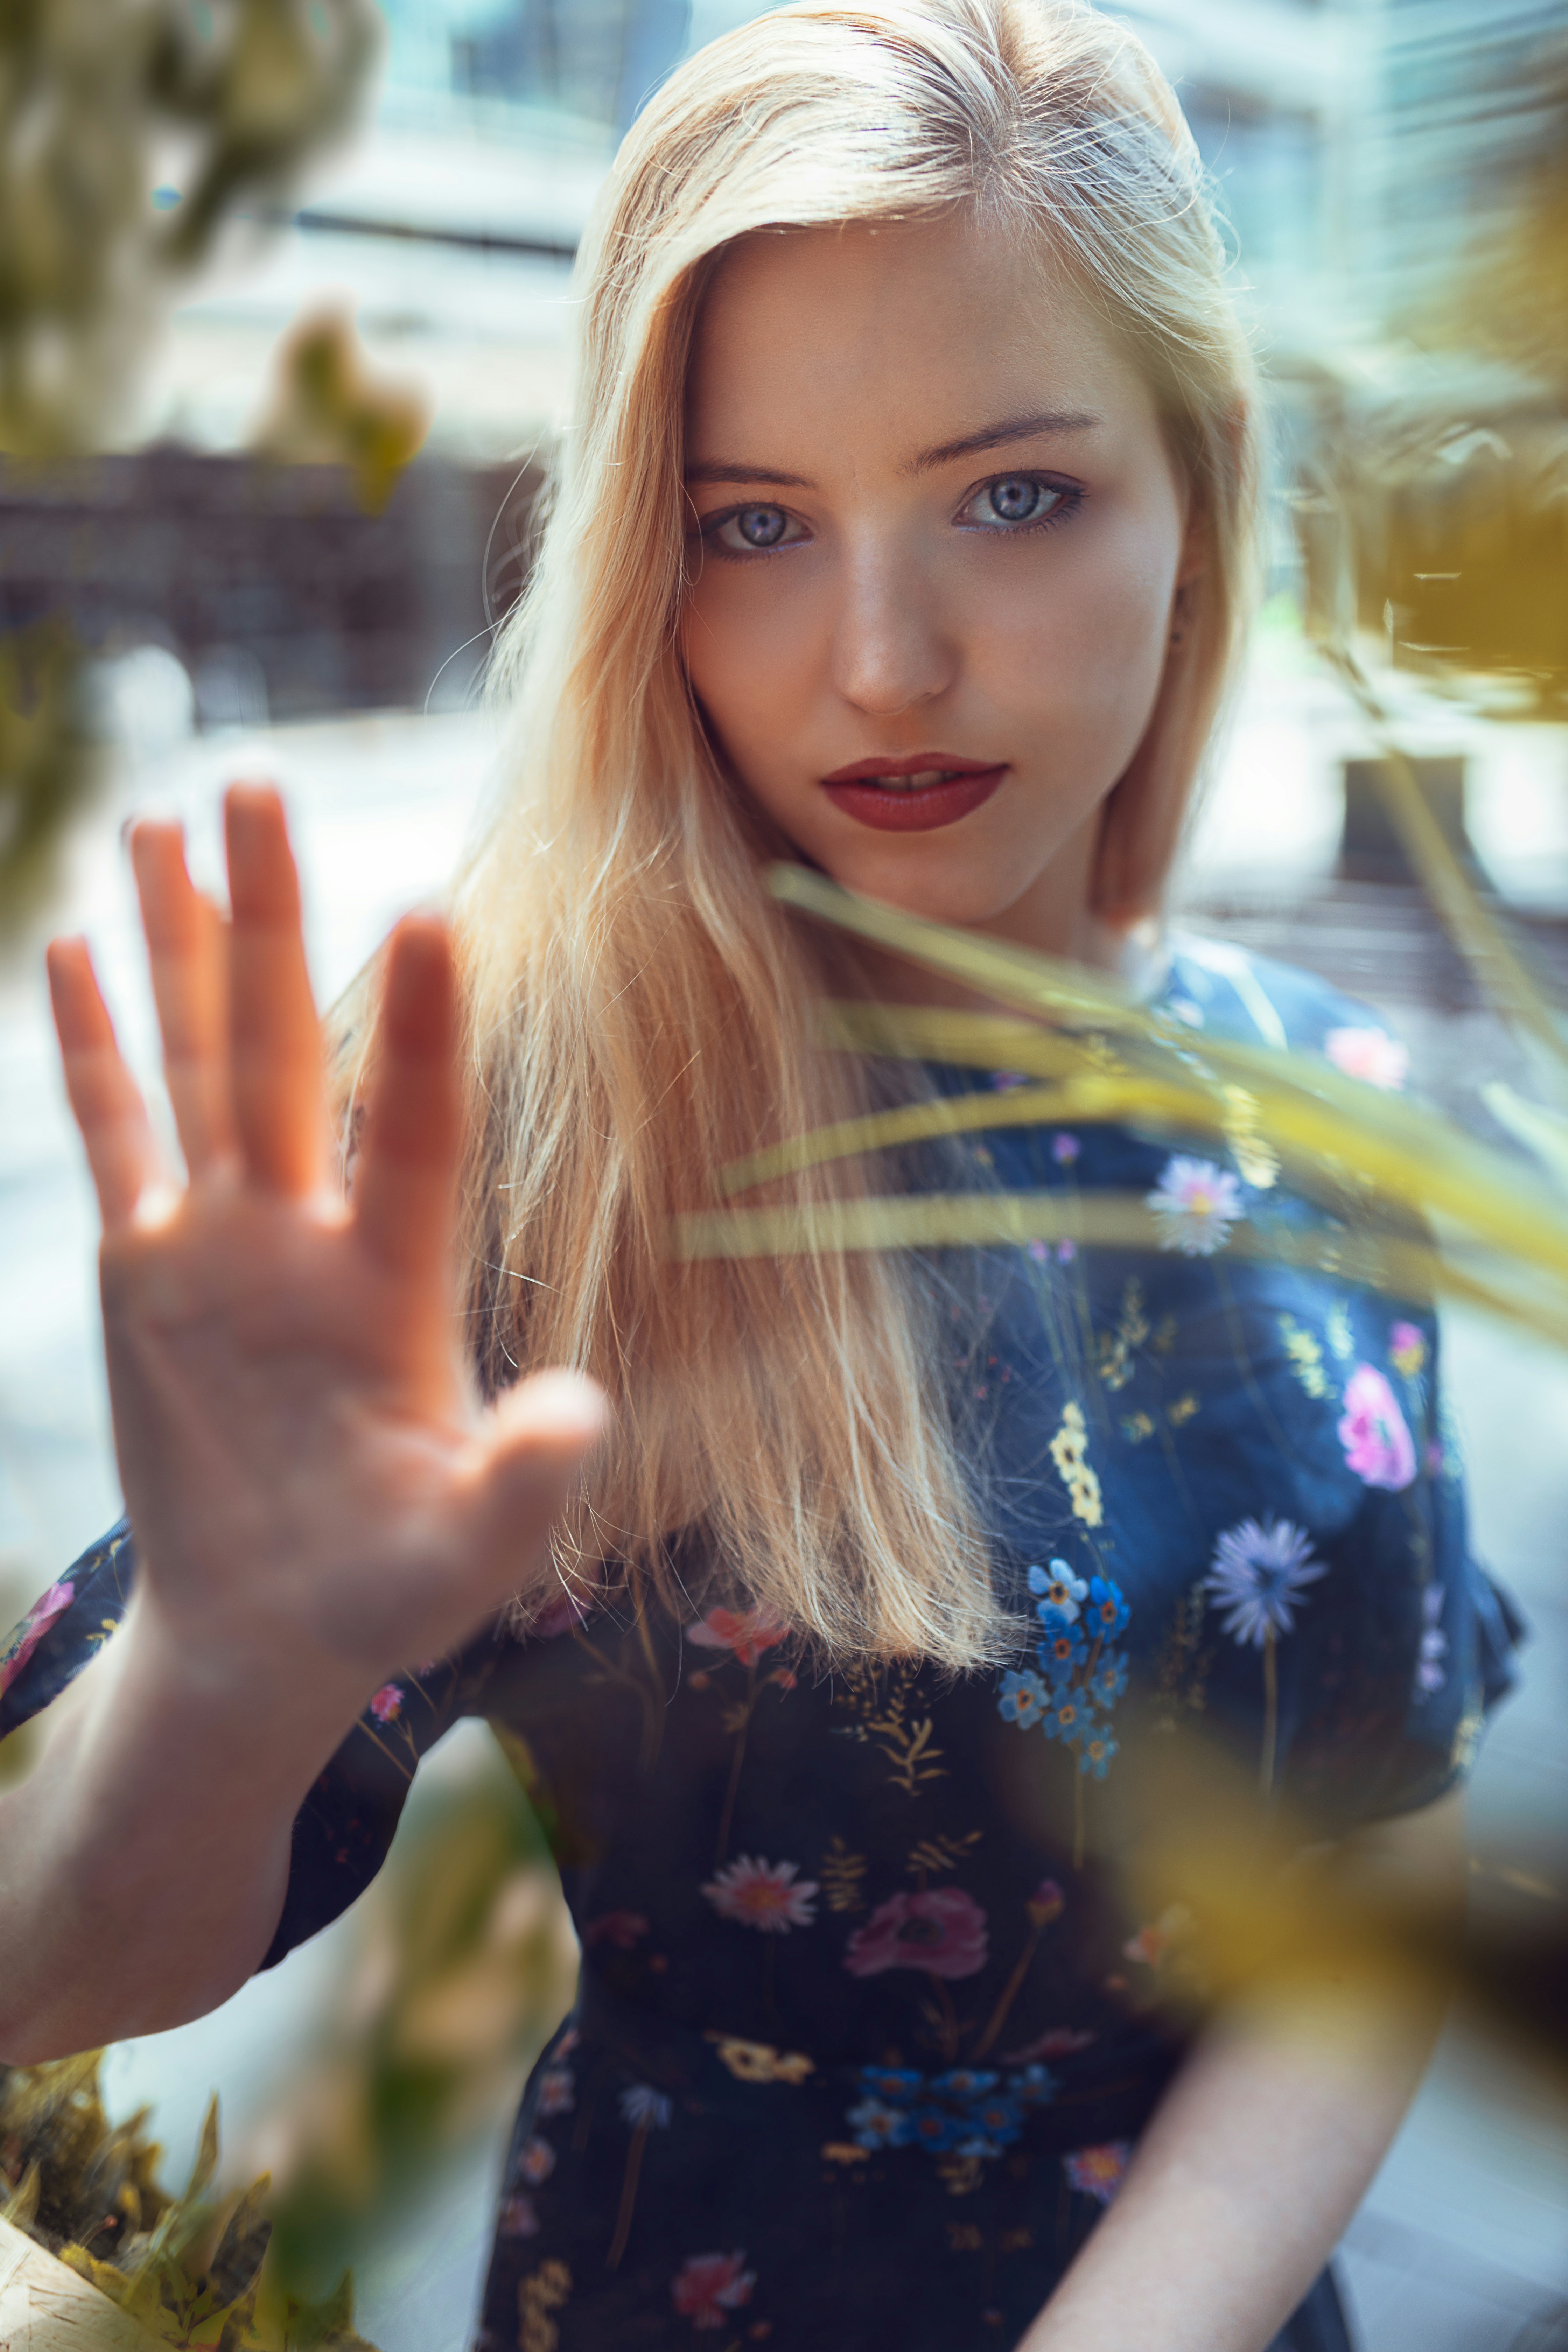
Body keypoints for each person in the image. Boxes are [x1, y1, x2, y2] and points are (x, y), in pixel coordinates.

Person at [0, 4, 1521, 2347]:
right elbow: (48, 1962)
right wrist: (223, 1669)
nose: (885, 663)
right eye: (753, 527)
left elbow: (1380, 1830)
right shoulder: (535, 1152)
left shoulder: (1329, 1109)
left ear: (1197, 489)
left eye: (1012, 495)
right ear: (645, 565)